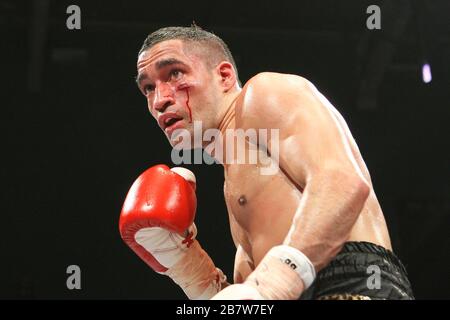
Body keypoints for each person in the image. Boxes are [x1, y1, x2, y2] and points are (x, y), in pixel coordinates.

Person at [119, 25, 414, 300]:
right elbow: (252, 299)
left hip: (351, 284)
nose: (159, 100)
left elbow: (343, 181)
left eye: (174, 73)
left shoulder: (264, 92)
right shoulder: (239, 182)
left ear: (224, 76)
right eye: (148, 88)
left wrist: (276, 281)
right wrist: (190, 268)